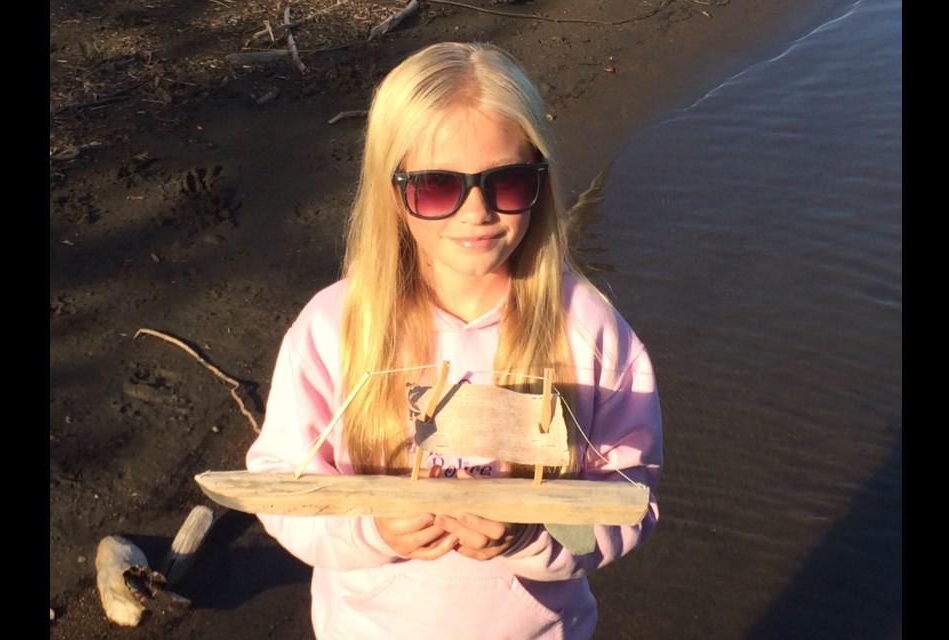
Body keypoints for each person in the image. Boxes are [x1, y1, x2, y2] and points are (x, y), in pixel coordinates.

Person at [246, 41, 663, 639]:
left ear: (540, 183)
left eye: (509, 182)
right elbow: (281, 487)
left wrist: (532, 535)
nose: (477, 212)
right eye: (438, 186)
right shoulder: (335, 329)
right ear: (394, 192)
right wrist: (370, 528)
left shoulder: (588, 334)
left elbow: (627, 503)